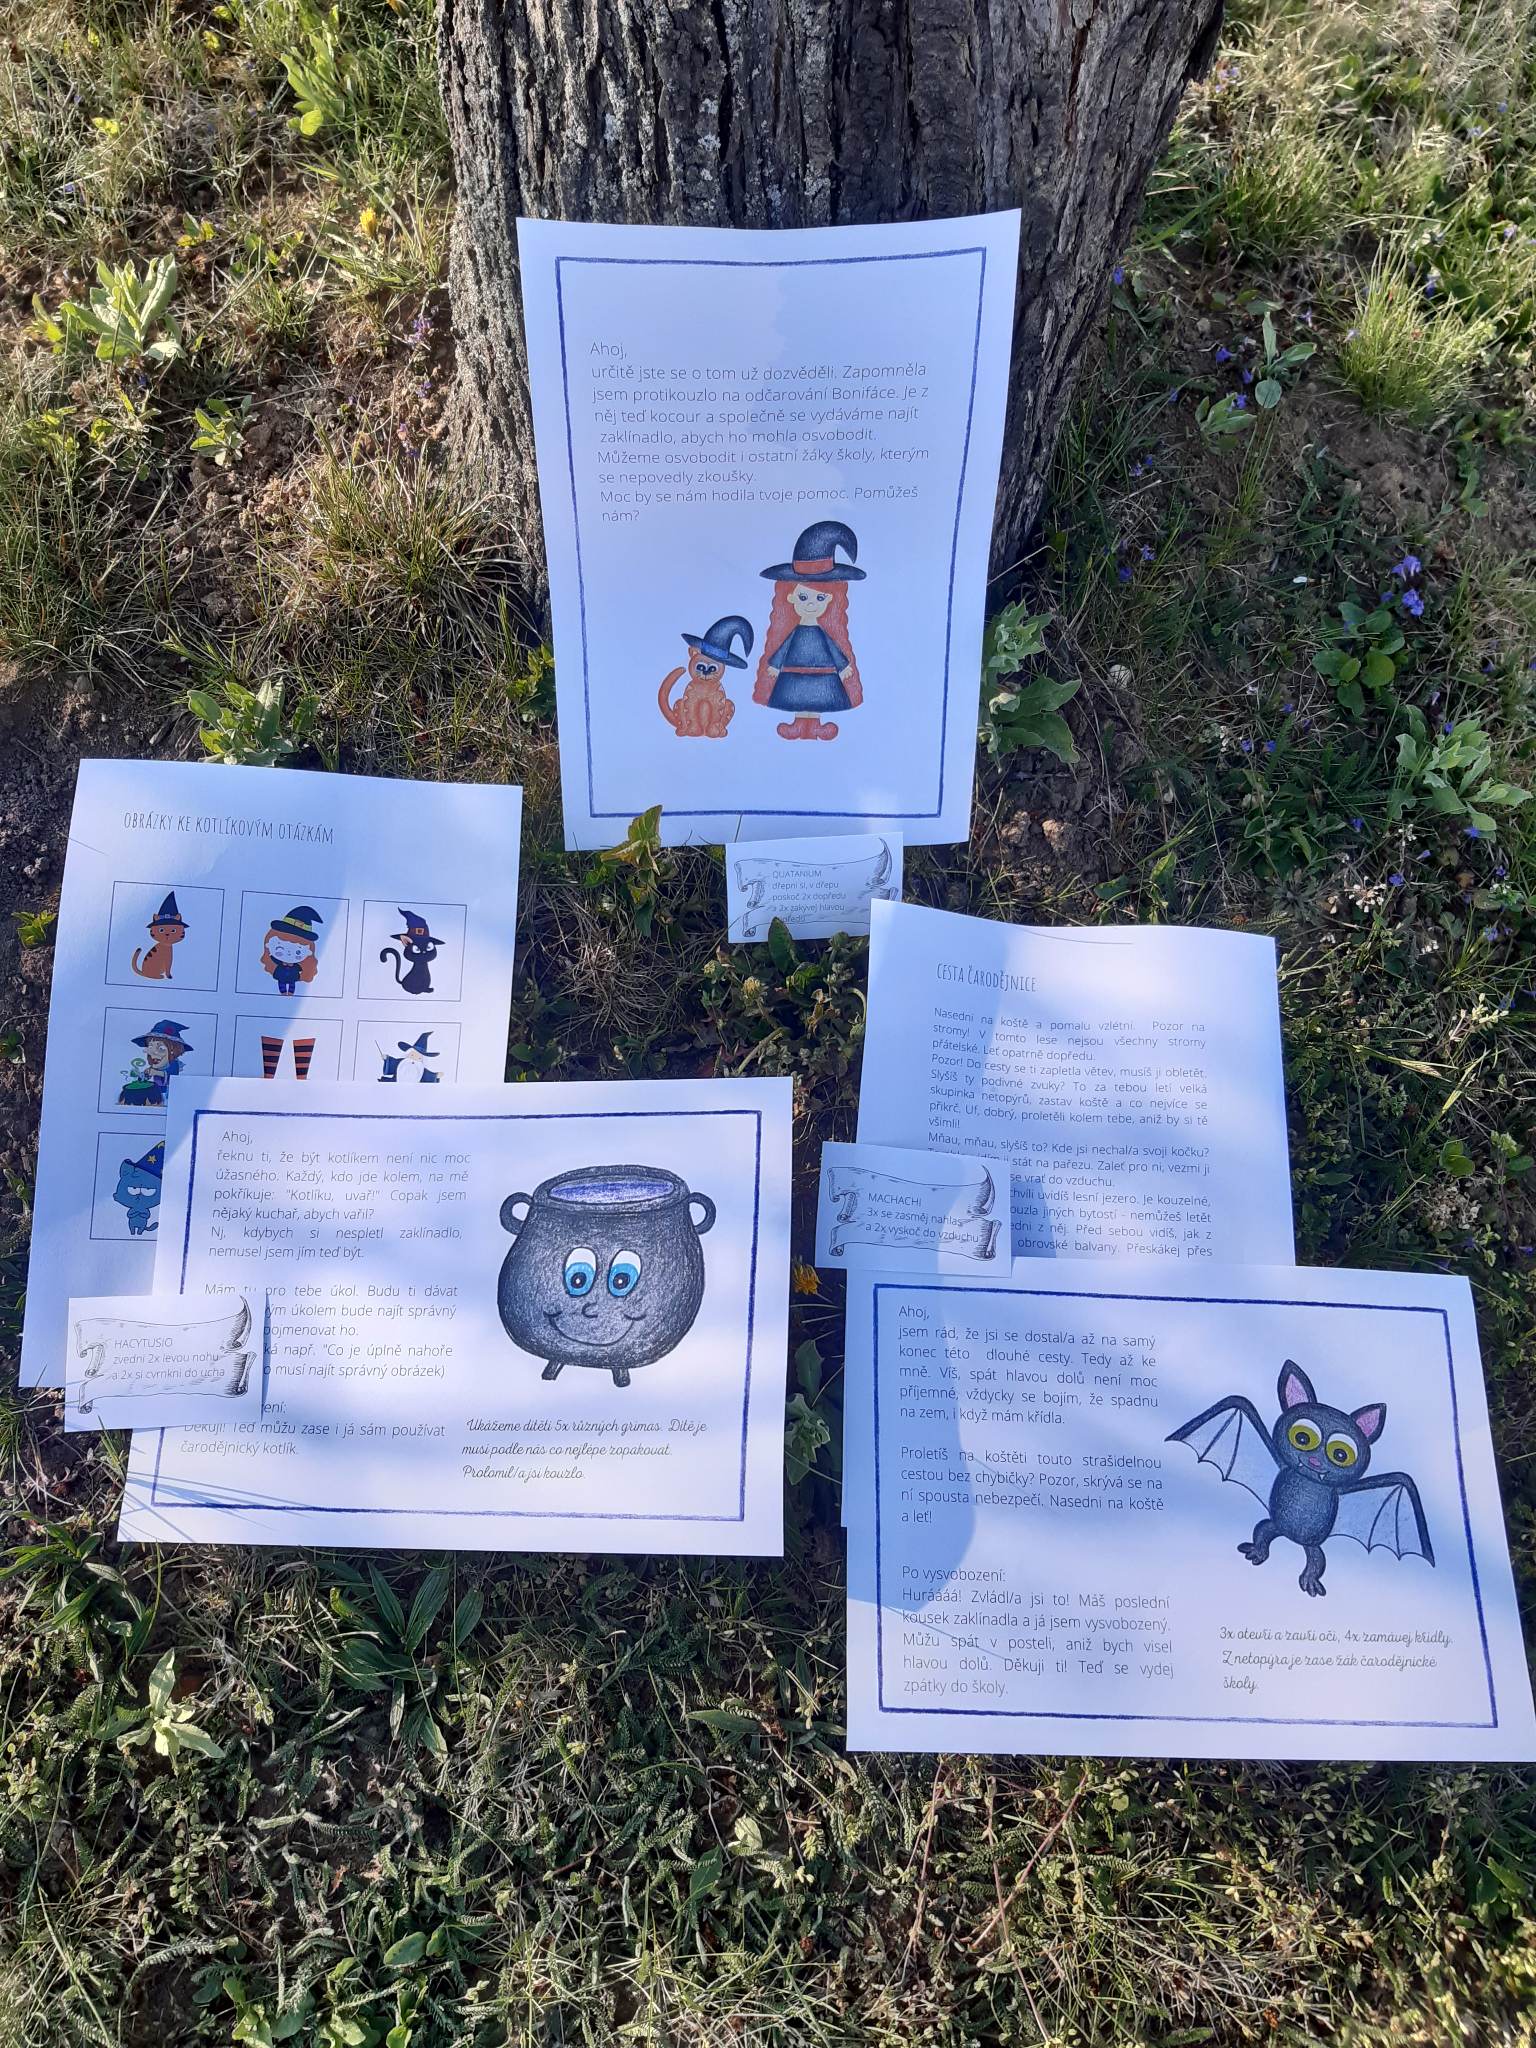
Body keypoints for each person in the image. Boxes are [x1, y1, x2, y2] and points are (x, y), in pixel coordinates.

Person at [753, 518, 866, 741]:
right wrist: (774, 666)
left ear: (830, 599)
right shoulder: (794, 631)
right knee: (799, 697)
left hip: (823, 675)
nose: (811, 604)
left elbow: (833, 649)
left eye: (819, 598)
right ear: (792, 598)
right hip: (793, 673)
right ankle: (798, 725)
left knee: (815, 699)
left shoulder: (823, 633)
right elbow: (783, 648)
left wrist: (843, 667)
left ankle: (814, 726)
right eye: (804, 597)